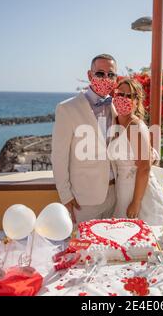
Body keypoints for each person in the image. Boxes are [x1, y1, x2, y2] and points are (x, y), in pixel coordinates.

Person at [51, 54, 118, 223]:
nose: (106, 78)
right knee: (83, 248)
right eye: (100, 74)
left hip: (115, 196)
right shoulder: (67, 108)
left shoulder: (115, 106)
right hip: (84, 201)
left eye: (111, 75)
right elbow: (59, 156)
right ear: (90, 75)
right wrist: (65, 196)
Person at [108, 78, 163, 225]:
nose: (123, 99)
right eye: (120, 94)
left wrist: (136, 202)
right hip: (122, 190)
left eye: (129, 96)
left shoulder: (135, 126)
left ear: (136, 101)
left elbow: (144, 166)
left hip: (140, 194)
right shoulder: (115, 123)